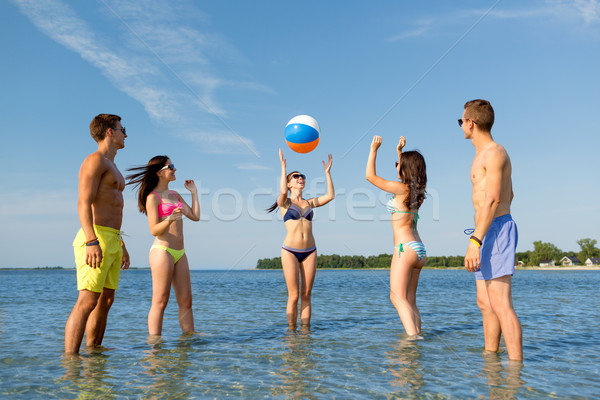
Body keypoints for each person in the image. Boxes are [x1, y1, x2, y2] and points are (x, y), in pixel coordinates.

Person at [460, 99, 522, 361]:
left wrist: (476, 240)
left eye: (461, 121)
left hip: (493, 231)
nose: (461, 125)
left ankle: (515, 373)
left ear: (471, 123)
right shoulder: (480, 156)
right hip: (484, 230)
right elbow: (512, 192)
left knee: (500, 304)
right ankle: (491, 364)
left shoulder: (495, 153)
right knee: (485, 304)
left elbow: (495, 199)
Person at [65, 114, 130, 354]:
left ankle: (94, 353)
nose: (126, 134)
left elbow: (114, 207)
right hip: (95, 237)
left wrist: (121, 244)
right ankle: (71, 361)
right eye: (123, 129)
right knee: (88, 301)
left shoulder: (113, 166)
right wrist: (91, 240)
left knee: (106, 301)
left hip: (112, 238)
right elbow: (84, 203)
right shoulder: (94, 161)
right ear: (110, 132)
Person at [126, 156, 200, 336]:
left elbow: (195, 216)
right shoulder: (153, 197)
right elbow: (154, 230)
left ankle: (189, 340)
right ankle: (155, 344)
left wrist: (194, 193)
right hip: (162, 251)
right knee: (160, 301)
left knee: (186, 301)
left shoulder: (175, 195)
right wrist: (170, 219)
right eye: (171, 167)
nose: (175, 169)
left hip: (180, 252)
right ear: (159, 172)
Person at [366, 135, 427, 337]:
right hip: (419, 249)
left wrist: (374, 149)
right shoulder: (417, 191)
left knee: (396, 297)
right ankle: (418, 335)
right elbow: (405, 172)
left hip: (404, 249)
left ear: (405, 169)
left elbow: (370, 177)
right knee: (409, 299)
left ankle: (412, 341)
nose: (396, 167)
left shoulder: (401, 189)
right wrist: (399, 152)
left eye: (398, 164)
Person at [267, 149, 334, 328]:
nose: (300, 178)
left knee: (306, 295)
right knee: (294, 295)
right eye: (295, 176)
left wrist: (327, 173)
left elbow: (330, 196)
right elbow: (281, 191)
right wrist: (283, 167)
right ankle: (291, 334)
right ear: (289, 184)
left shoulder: (309, 203)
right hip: (290, 251)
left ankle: (305, 334)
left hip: (310, 251)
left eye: (302, 176)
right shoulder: (285, 203)